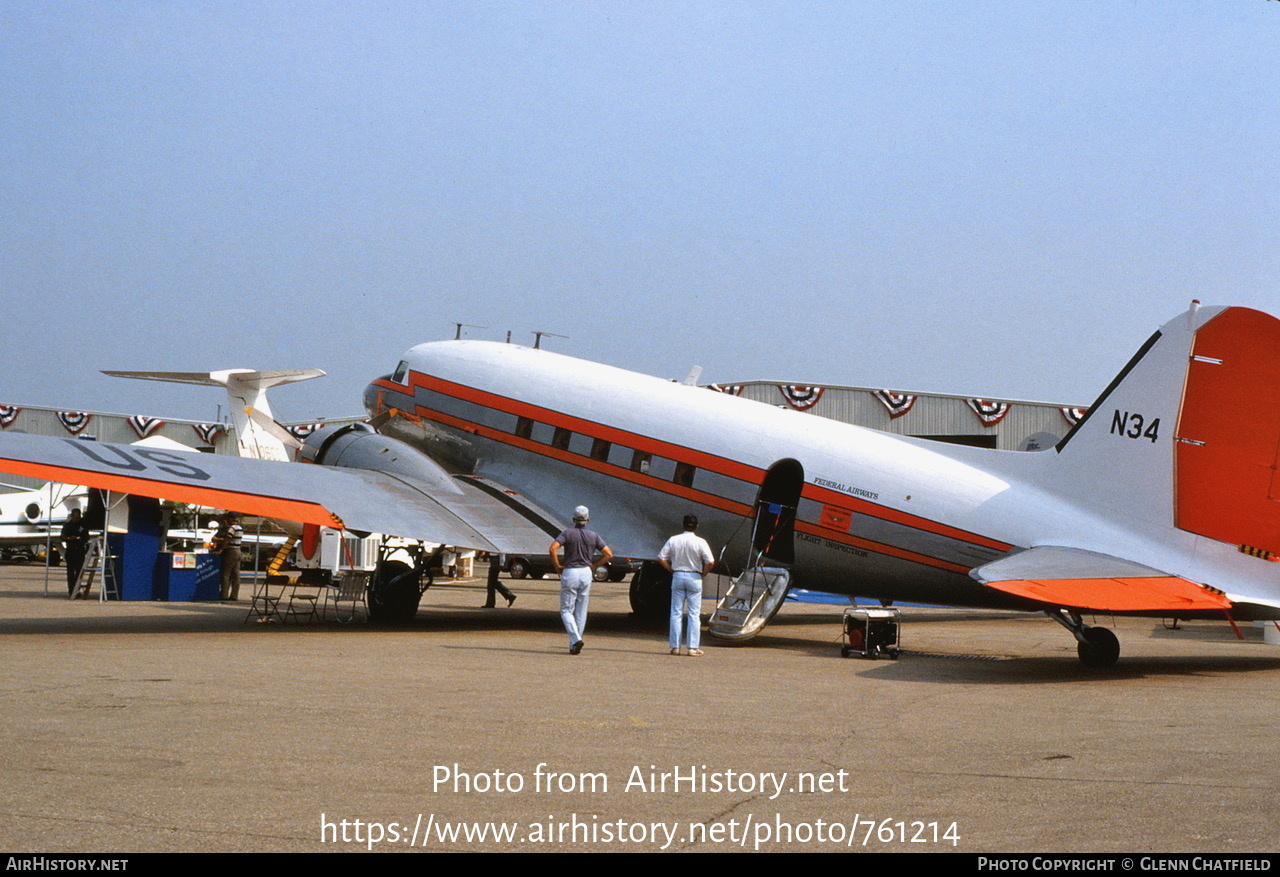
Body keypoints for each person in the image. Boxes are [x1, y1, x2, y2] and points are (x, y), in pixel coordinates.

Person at [549, 506, 611, 654]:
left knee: (566, 610)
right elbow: (608, 554)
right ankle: (574, 644)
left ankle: (576, 639)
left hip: (570, 571)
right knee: (581, 610)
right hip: (585, 572)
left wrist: (557, 566)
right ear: (588, 520)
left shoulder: (567, 533)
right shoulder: (593, 535)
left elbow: (552, 549)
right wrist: (594, 565)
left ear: (573, 519)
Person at [657, 514, 715, 656]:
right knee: (694, 613)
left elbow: (661, 558)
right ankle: (692, 647)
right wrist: (704, 573)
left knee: (676, 612)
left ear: (682, 525)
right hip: (694, 576)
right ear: (696, 526)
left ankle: (675, 647)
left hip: (677, 575)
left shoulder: (674, 540)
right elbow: (710, 562)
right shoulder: (700, 542)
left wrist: (671, 569)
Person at [212, 512, 243, 601]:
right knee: (236, 574)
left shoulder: (232, 528)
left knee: (226, 573)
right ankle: (234, 595)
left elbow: (227, 540)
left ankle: (224, 594)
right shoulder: (240, 528)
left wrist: (221, 549)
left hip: (231, 551)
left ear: (230, 519)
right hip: (238, 550)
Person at [60, 508, 89, 598]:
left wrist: (81, 539)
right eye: (75, 517)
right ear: (72, 517)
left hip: (80, 551)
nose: (77, 519)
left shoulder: (83, 525)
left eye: (78, 517)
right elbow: (62, 537)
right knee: (70, 573)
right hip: (71, 550)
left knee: (79, 573)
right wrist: (70, 538)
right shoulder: (67, 525)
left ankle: (77, 589)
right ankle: (71, 591)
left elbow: (86, 537)